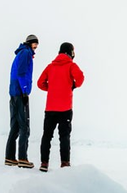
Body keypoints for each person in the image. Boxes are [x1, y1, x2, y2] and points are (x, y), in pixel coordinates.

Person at [37, 42, 85, 172]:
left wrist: (51, 89)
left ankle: (44, 163)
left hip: (50, 108)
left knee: (47, 136)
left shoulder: (50, 67)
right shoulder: (71, 66)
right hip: (65, 109)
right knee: (64, 137)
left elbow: (40, 83)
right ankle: (64, 163)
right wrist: (72, 86)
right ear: (70, 52)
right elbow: (80, 78)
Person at [5, 34, 39, 168]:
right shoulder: (25, 53)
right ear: (30, 43)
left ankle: (10, 157)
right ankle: (23, 158)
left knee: (15, 126)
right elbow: (21, 73)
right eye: (35, 44)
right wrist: (25, 91)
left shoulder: (20, 54)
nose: (36, 47)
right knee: (25, 126)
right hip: (20, 93)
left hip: (14, 93)